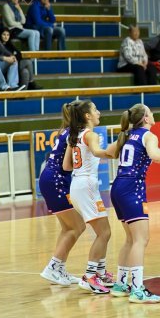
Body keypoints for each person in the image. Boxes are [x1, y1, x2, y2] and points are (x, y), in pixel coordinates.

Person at [108, 104, 160, 303]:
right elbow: (155, 156)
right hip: (132, 188)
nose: (153, 114)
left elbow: (106, 152)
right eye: (151, 112)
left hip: (117, 187)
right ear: (146, 118)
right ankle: (138, 290)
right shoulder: (149, 136)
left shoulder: (126, 135)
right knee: (141, 239)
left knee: (130, 240)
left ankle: (122, 284)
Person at [63, 100, 115, 294]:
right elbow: (97, 152)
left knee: (105, 231)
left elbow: (67, 166)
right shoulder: (90, 134)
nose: (98, 112)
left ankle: (99, 273)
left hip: (80, 184)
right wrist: (115, 151)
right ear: (87, 116)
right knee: (104, 233)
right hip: (86, 185)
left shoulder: (74, 136)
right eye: (95, 110)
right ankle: (90, 276)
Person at [39, 102, 84, 287]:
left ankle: (58, 269)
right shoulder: (75, 134)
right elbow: (67, 166)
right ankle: (53, 267)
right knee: (78, 226)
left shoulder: (65, 131)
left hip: (51, 179)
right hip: (56, 181)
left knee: (68, 228)